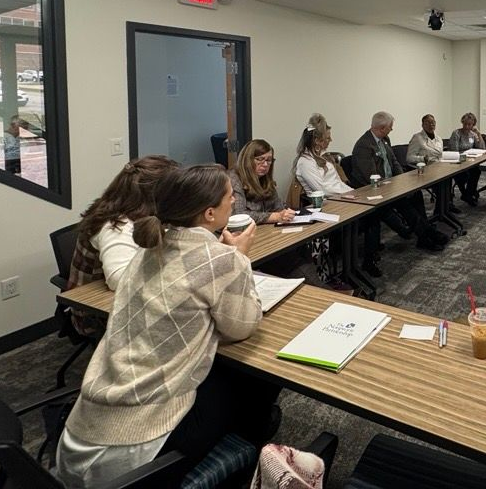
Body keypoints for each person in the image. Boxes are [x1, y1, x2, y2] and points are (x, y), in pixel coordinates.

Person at [56, 165, 281, 488]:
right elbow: (242, 327)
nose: (235, 201)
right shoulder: (221, 260)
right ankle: (245, 461)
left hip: (85, 429)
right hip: (138, 454)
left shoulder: (145, 251)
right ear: (209, 213)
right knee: (258, 378)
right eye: (230, 197)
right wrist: (240, 260)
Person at [66, 155, 180, 336]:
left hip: (129, 303)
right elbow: (119, 280)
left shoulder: (141, 214)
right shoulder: (116, 225)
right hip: (96, 314)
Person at [293, 113, 383, 277]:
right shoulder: (305, 162)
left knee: (374, 213)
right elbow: (321, 189)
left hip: (340, 199)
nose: (330, 141)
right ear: (317, 141)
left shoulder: (323, 158)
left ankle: (367, 259)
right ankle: (359, 265)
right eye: (328, 138)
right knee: (369, 219)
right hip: (327, 205)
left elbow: (337, 182)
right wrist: (347, 194)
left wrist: (352, 192)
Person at [231, 139, 330, 285]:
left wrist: (286, 212)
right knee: (293, 261)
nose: (265, 164)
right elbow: (238, 215)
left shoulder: (265, 179)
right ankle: (322, 291)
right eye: (260, 159)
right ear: (248, 159)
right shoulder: (234, 180)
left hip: (268, 236)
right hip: (248, 242)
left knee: (301, 245)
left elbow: (279, 206)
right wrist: (274, 216)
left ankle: (316, 288)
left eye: (269, 160)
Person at [350, 111, 449, 252]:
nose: (392, 129)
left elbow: (394, 162)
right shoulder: (364, 146)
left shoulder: (384, 140)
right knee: (405, 206)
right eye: (390, 127)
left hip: (391, 185)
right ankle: (426, 235)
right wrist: (394, 187)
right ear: (382, 128)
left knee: (415, 195)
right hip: (374, 190)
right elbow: (371, 176)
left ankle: (424, 234)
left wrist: (403, 181)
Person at [447, 112, 485, 207]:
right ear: (462, 123)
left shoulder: (472, 134)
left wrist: (479, 134)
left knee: (476, 171)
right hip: (457, 162)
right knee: (465, 174)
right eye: (465, 124)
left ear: (473, 125)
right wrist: (465, 157)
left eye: (469, 124)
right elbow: (454, 151)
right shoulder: (456, 133)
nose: (467, 126)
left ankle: (468, 194)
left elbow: (481, 148)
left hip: (469, 161)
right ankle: (465, 193)